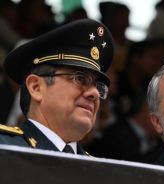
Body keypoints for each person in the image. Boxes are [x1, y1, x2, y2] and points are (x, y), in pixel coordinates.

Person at [0, 18, 114, 155]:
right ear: (36, 87)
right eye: (80, 78)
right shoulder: (5, 150)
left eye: (98, 86)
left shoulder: (101, 172)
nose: (95, 93)